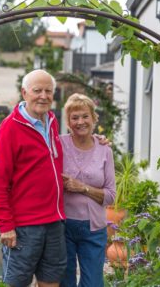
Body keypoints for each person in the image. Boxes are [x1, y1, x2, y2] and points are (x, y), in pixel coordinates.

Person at [0, 69, 67, 287]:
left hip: (54, 222)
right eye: (37, 90)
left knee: (50, 281)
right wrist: (6, 224)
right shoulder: (10, 128)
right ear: (24, 92)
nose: (43, 96)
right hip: (24, 227)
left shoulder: (51, 121)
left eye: (48, 91)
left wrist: (96, 140)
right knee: (16, 283)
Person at [60, 93, 116, 287]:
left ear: (93, 118)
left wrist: (82, 187)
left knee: (92, 283)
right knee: (64, 282)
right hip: (62, 226)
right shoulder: (58, 145)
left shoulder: (104, 150)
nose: (80, 122)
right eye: (74, 117)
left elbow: (110, 196)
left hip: (94, 228)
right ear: (68, 122)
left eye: (85, 116)